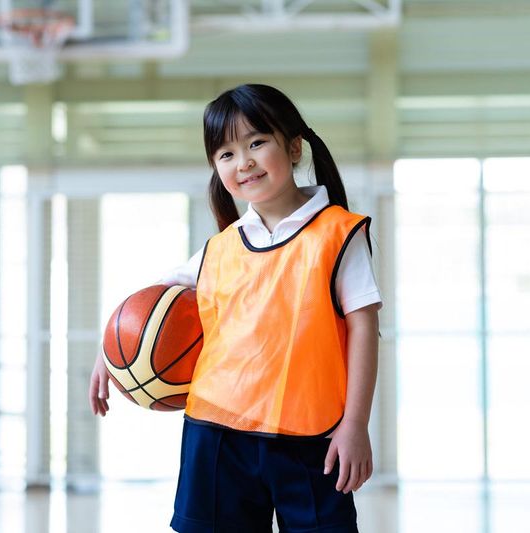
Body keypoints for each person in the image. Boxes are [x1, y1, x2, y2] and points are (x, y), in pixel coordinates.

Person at [90, 83, 381, 533]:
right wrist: (108, 353)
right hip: (216, 432)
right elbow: (148, 308)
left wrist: (356, 424)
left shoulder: (338, 233)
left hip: (312, 436)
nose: (242, 161)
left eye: (256, 143)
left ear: (294, 147)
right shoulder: (220, 248)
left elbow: (364, 329)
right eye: (226, 153)